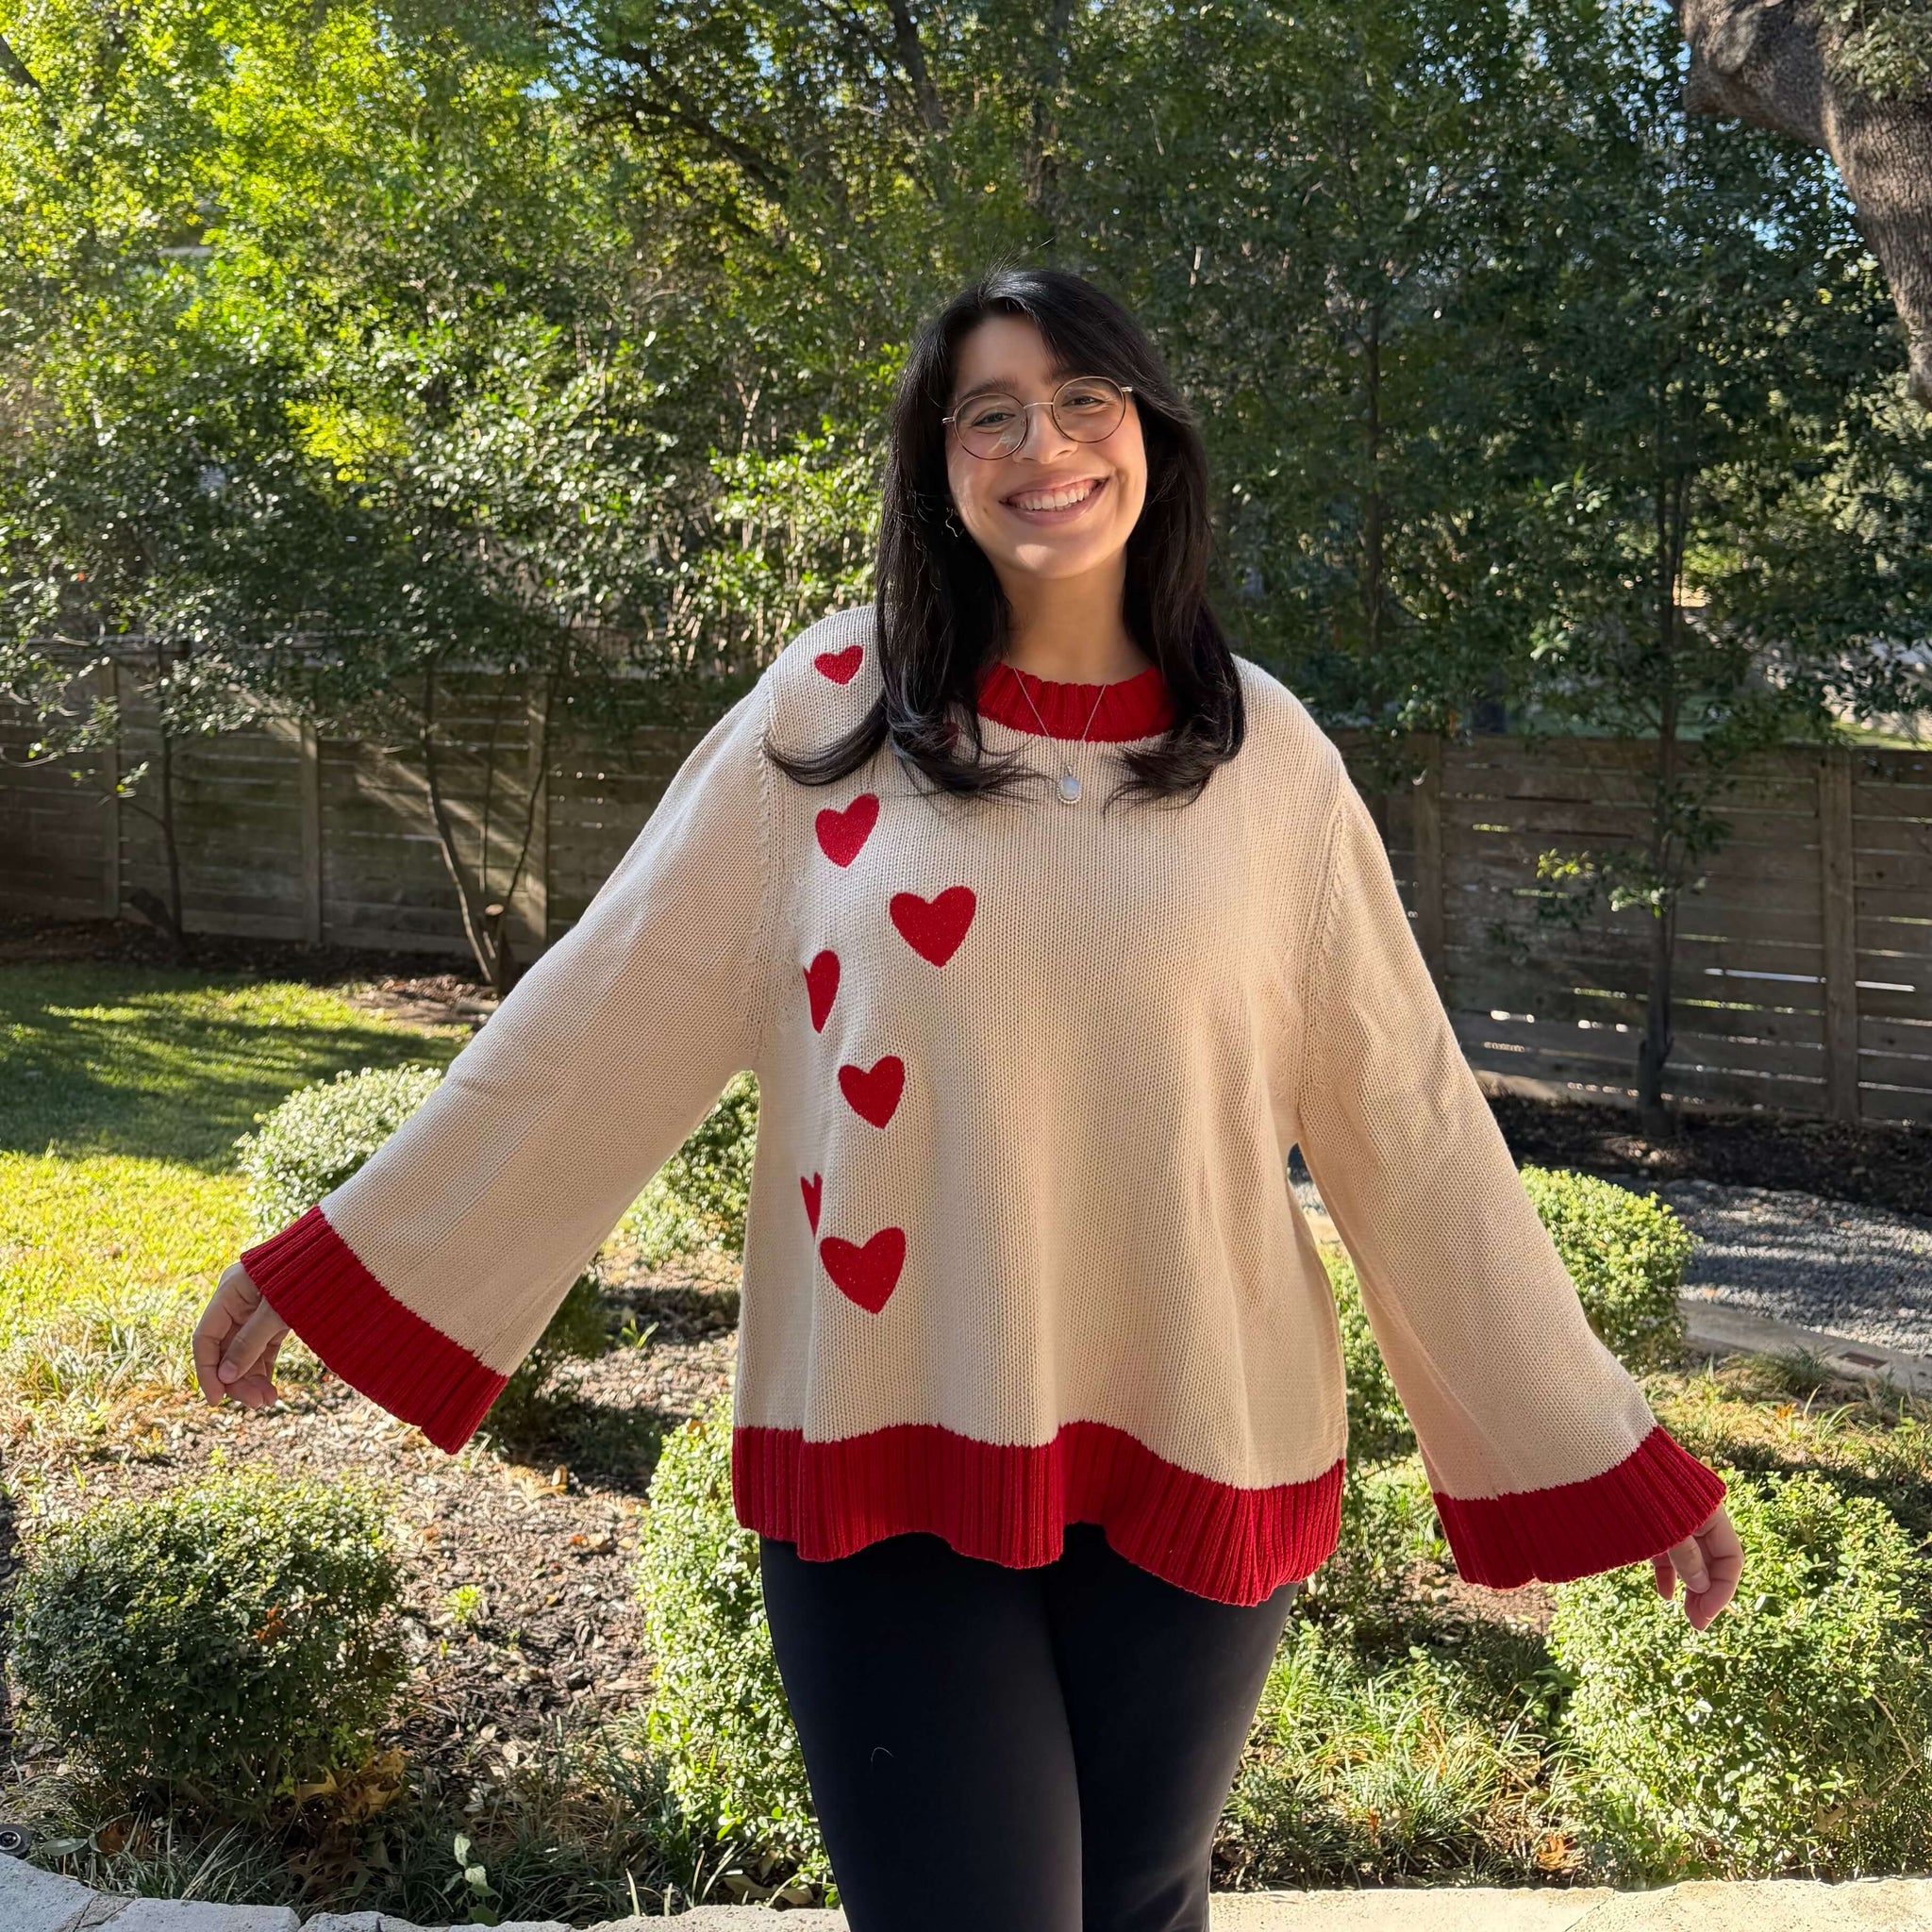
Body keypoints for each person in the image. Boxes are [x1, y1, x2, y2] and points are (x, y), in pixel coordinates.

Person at [192, 264, 1744, 1932]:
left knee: (1140, 1906)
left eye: (1082, 402)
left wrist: (1598, 1446)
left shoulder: (1269, 758)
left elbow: (1410, 1117)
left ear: (1151, 437)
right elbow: (606, 1002)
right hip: (888, 1429)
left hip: (1199, 1427)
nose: (1042, 447)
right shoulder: (825, 716)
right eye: (988, 415)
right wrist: (355, 1255)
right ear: (937, 466)